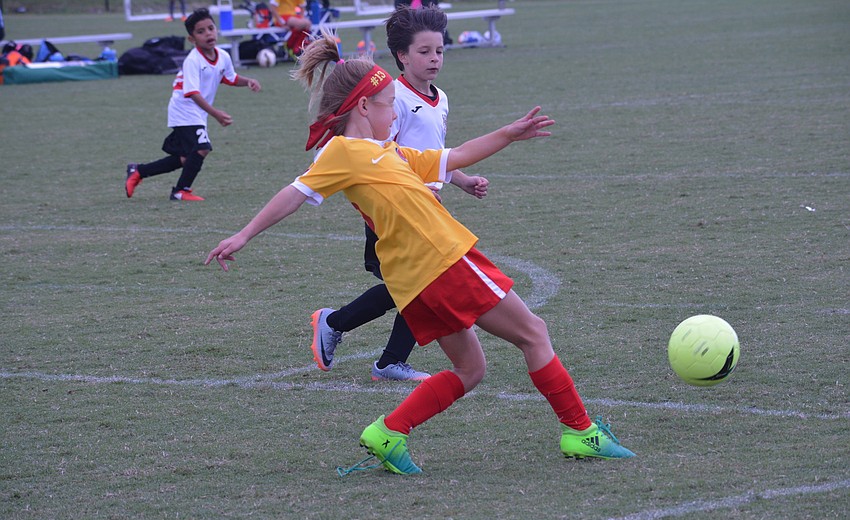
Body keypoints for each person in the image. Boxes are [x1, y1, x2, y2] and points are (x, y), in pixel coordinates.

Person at [205, 35, 637, 474]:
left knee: (471, 370)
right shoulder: (343, 152)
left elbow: (456, 156)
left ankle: (389, 432)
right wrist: (244, 234)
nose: (395, 112)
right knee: (534, 334)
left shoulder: (388, 151)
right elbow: (294, 193)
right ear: (363, 108)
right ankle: (581, 431)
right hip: (443, 261)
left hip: (413, 280)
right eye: (389, 103)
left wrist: (510, 133)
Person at [311, 5, 487, 382]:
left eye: (439, 51)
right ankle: (339, 324)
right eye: (423, 52)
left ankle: (386, 359)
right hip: (395, 214)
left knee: (418, 286)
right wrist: (419, 192)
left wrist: (461, 179)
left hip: (424, 210)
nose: (434, 59)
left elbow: (430, 155)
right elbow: (381, 159)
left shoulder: (441, 98)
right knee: (418, 286)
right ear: (401, 56)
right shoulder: (393, 100)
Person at [125, 9, 261, 202]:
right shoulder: (193, 60)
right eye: (201, 31)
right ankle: (181, 191)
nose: (208, 34)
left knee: (185, 158)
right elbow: (192, 93)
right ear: (192, 39)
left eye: (211, 28)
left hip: (197, 112)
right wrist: (216, 114)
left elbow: (230, 78)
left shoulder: (222, 55)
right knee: (202, 148)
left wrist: (248, 81)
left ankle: (138, 171)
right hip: (184, 109)